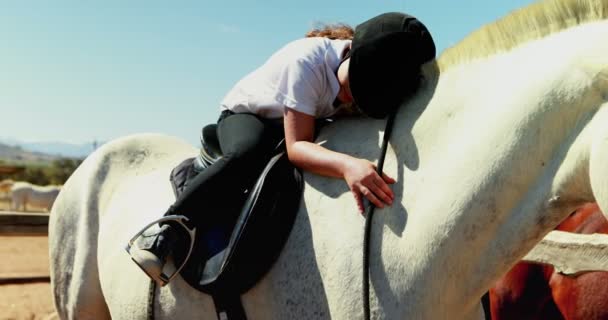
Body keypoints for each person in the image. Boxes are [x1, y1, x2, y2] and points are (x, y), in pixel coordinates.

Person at [129, 11, 436, 284]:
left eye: (356, 100)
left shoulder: (362, 76)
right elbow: (297, 147)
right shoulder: (306, 63)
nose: (347, 100)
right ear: (351, 53)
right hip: (249, 117)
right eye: (348, 89)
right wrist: (348, 165)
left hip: (301, 119)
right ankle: (165, 230)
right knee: (248, 152)